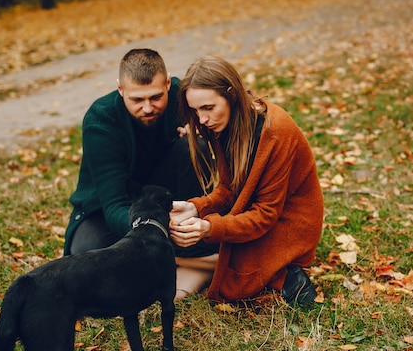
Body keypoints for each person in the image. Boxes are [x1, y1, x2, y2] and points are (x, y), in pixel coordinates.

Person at [63, 48, 218, 299]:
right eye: (137, 100)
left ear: (168, 83)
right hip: (110, 209)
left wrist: (205, 133)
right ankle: (200, 263)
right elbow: (113, 204)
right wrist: (156, 230)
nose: (148, 108)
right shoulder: (101, 121)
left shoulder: (185, 97)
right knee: (86, 253)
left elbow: (231, 112)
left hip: (171, 200)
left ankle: (185, 254)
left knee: (195, 146)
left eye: (156, 97)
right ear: (120, 89)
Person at [169, 55, 324, 306]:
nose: (202, 120)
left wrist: (210, 228)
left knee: (229, 273)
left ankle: (283, 273)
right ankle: (239, 267)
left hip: (289, 225)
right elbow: (229, 191)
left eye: (208, 108)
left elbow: (265, 215)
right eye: (196, 111)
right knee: (175, 252)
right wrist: (197, 207)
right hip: (254, 215)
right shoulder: (222, 126)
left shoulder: (275, 131)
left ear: (231, 94)